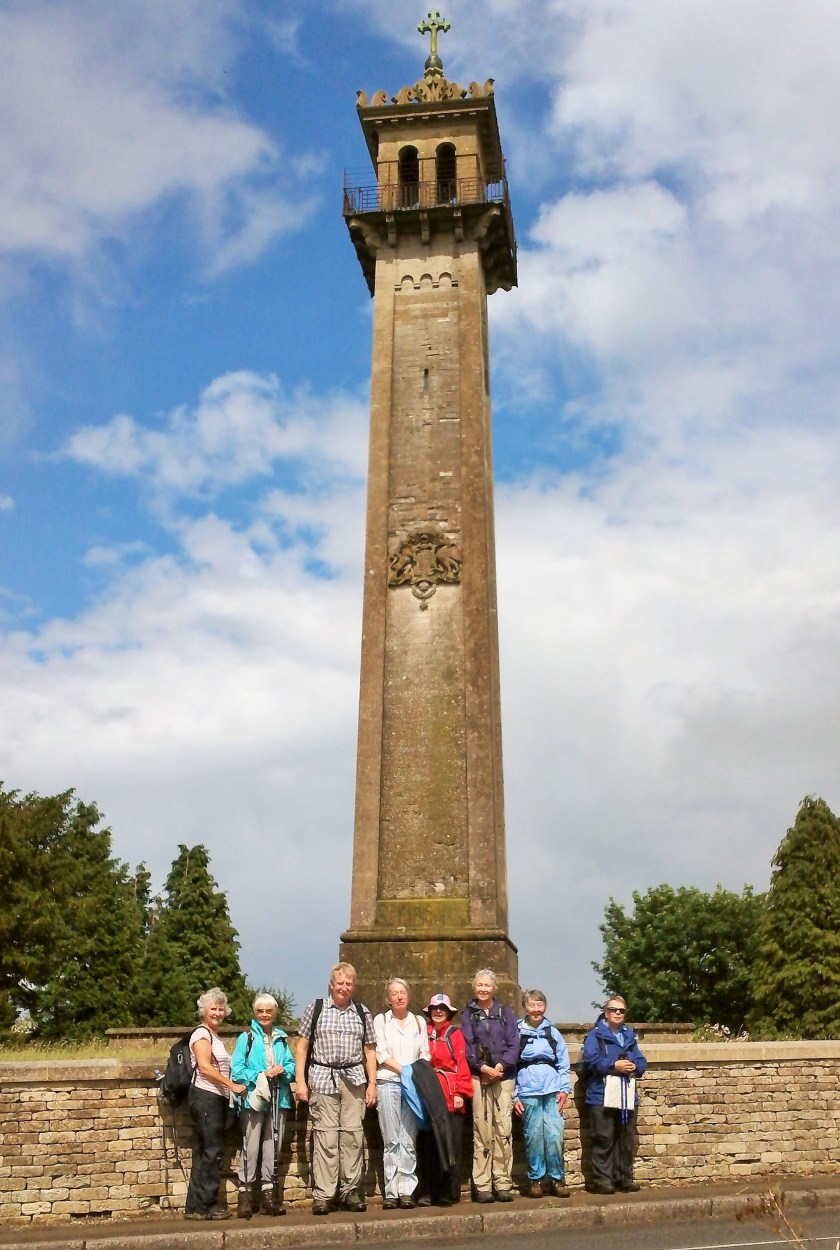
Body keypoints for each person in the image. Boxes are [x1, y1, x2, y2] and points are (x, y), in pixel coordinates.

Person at [295, 962, 377, 1215]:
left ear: (354, 986)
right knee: (325, 1136)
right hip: (321, 1077)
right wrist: (300, 1081)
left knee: (353, 1136)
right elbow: (302, 1046)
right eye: (340, 983)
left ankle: (350, 1191)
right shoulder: (316, 1008)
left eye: (348, 983)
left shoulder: (362, 1012)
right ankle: (324, 1194)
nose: (344, 987)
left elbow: (370, 1050)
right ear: (331, 984)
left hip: (354, 1079)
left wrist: (372, 1083)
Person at [231, 992, 296, 1218]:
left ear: (275, 1013)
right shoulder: (246, 1038)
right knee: (251, 1147)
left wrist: (283, 1070)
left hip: (279, 1098)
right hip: (254, 1099)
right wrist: (261, 1074)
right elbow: (237, 1071)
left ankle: (270, 1196)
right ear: (255, 1013)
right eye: (260, 1011)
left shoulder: (281, 1038)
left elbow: (291, 1066)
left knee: (272, 1147)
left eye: (269, 1011)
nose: (265, 1015)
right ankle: (245, 1196)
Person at [184, 988, 247, 1221]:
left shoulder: (213, 1035)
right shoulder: (202, 1035)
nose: (218, 1013)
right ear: (203, 1011)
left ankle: (193, 1207)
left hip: (211, 1098)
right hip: (206, 1097)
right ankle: (207, 1206)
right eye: (213, 1008)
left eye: (221, 1009)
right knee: (212, 1152)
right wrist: (231, 1085)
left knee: (203, 1152)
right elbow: (205, 1067)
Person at [459, 968, 519, 1203]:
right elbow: (467, 1044)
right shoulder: (468, 1014)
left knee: (503, 1130)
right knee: (481, 1130)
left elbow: (514, 1043)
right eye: (479, 985)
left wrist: (500, 1068)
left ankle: (503, 1182)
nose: (483, 989)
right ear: (474, 987)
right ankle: (482, 1184)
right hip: (479, 1077)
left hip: (503, 1078)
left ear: (494, 988)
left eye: (487, 985)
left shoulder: (505, 1013)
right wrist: (483, 1068)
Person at [581, 995, 648, 1194]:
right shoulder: (594, 1036)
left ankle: (624, 1179)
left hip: (625, 1093)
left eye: (622, 1010)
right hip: (601, 1094)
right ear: (606, 1012)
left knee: (625, 1137)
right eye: (614, 1009)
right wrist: (613, 1065)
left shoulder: (629, 1036)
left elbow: (642, 1061)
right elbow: (591, 1061)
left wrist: (634, 1065)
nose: (618, 1013)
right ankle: (602, 1181)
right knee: (603, 1138)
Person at [373, 977, 429, 1209]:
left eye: (402, 992)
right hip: (388, 1082)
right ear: (388, 998)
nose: (398, 996)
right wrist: (403, 1070)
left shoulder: (418, 1022)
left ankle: (407, 1190)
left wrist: (412, 1074)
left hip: (412, 1086)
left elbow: (425, 1053)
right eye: (394, 993)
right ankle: (391, 1191)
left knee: (408, 1139)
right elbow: (381, 1053)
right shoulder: (381, 1021)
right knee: (391, 1140)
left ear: (408, 996)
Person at [513, 989, 571, 1199]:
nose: (536, 1010)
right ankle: (535, 1180)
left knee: (554, 1135)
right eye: (532, 1005)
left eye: (540, 1005)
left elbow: (564, 1064)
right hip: (528, 1090)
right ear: (525, 1007)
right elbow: (511, 1066)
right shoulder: (517, 1032)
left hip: (552, 1090)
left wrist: (564, 1089)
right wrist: (515, 1096)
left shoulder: (552, 1032)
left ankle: (557, 1179)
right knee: (534, 1137)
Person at [416, 992, 472, 1207]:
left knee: (451, 1146)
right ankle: (430, 1191)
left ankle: (449, 1191)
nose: (438, 1012)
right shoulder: (423, 1033)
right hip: (429, 1096)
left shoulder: (455, 1035)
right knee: (429, 1146)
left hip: (450, 1096)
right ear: (429, 1012)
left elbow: (462, 1064)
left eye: (442, 1008)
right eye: (435, 1008)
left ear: (448, 1012)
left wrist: (461, 1093)